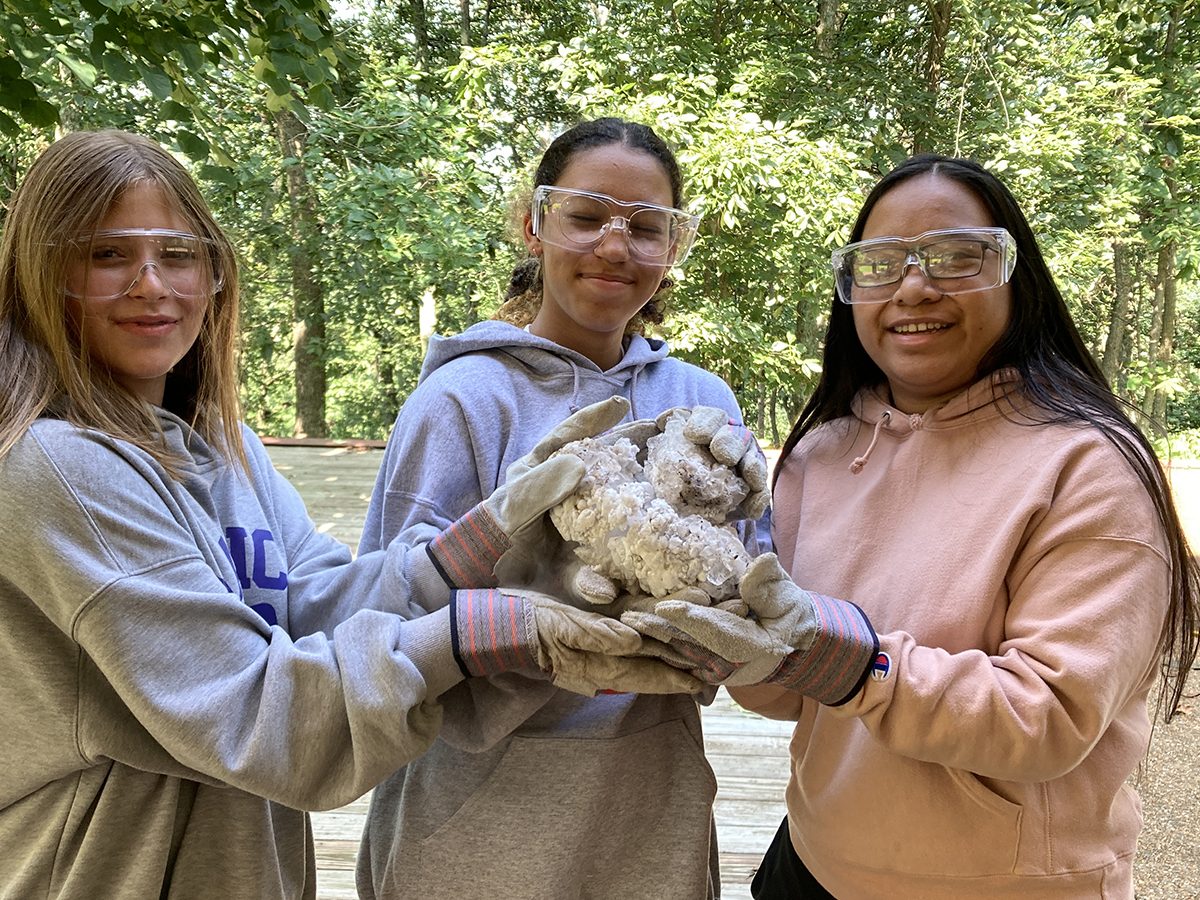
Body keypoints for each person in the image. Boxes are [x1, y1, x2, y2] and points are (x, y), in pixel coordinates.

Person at [0, 129, 702, 899]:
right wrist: (478, 632)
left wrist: (475, 546)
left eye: (178, 253)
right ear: (41, 273)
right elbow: (260, 720)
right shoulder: (58, 467)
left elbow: (310, 608)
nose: (151, 284)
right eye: (106, 255)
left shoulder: (221, 449)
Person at [623, 154, 1200, 898]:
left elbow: (1049, 717)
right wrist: (722, 626)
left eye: (959, 257)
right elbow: (785, 694)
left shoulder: (1090, 467)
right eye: (881, 264)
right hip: (813, 860)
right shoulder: (820, 453)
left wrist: (850, 661)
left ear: (1015, 279)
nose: (915, 286)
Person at [355, 117, 771, 899]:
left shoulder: (700, 401)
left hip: (651, 794)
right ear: (535, 224)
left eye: (647, 227)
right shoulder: (460, 399)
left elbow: (753, 584)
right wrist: (528, 608)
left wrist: (743, 626)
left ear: (674, 246)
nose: (615, 247)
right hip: (476, 807)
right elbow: (379, 613)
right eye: (586, 217)